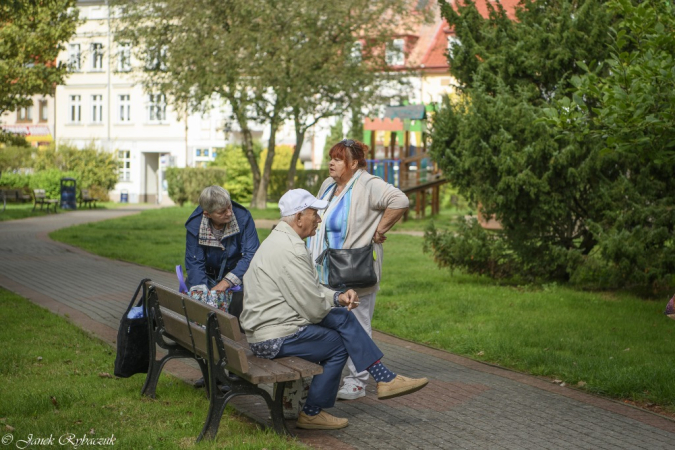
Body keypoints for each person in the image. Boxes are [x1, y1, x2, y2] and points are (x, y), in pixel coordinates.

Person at [240, 189, 427, 430]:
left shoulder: (280, 241)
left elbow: (311, 288)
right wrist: (334, 303)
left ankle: (383, 379)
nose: (319, 219)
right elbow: (314, 310)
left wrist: (337, 296)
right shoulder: (290, 250)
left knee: (340, 321)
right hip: (273, 337)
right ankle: (315, 411)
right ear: (299, 218)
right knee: (339, 343)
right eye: (315, 213)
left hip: (270, 329)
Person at [307, 139, 409, 400]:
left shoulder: (367, 184)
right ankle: (332, 374)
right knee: (331, 322)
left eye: (339, 159)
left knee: (358, 323)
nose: (332, 162)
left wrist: (380, 230)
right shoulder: (328, 185)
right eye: (331, 157)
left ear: (354, 163)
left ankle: (358, 382)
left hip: (355, 268)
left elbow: (399, 200)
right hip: (326, 268)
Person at [185, 185, 260, 387]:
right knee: (203, 312)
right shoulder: (195, 226)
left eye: (229, 207)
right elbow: (195, 263)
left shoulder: (242, 217)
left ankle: (238, 370)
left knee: (237, 312)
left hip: (238, 277)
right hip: (208, 278)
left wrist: (226, 283)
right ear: (207, 214)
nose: (229, 213)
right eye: (222, 211)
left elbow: (251, 254)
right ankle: (212, 372)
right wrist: (203, 293)